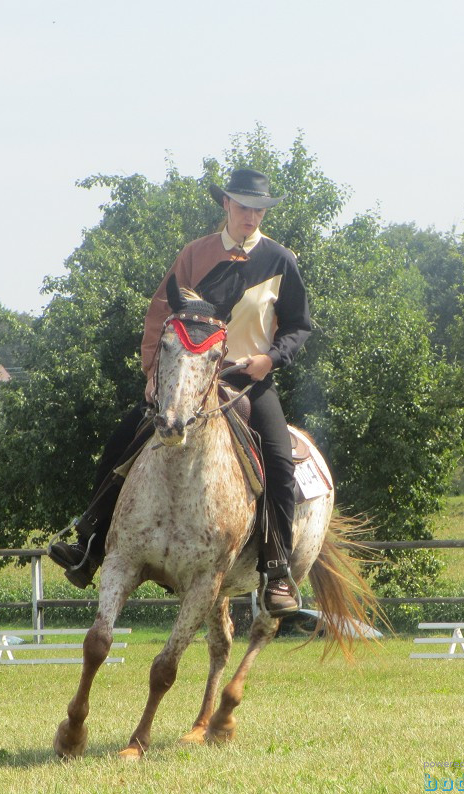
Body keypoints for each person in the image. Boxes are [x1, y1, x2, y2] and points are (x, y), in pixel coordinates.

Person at [49, 168, 311, 617]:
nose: (251, 215)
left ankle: (277, 570)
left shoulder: (281, 260)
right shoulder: (195, 254)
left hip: (247, 378)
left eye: (259, 209)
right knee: (122, 440)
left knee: (280, 462)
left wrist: (270, 359)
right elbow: (161, 314)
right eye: (243, 206)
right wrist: (153, 372)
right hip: (187, 378)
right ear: (225, 205)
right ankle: (90, 541)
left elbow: (298, 325)